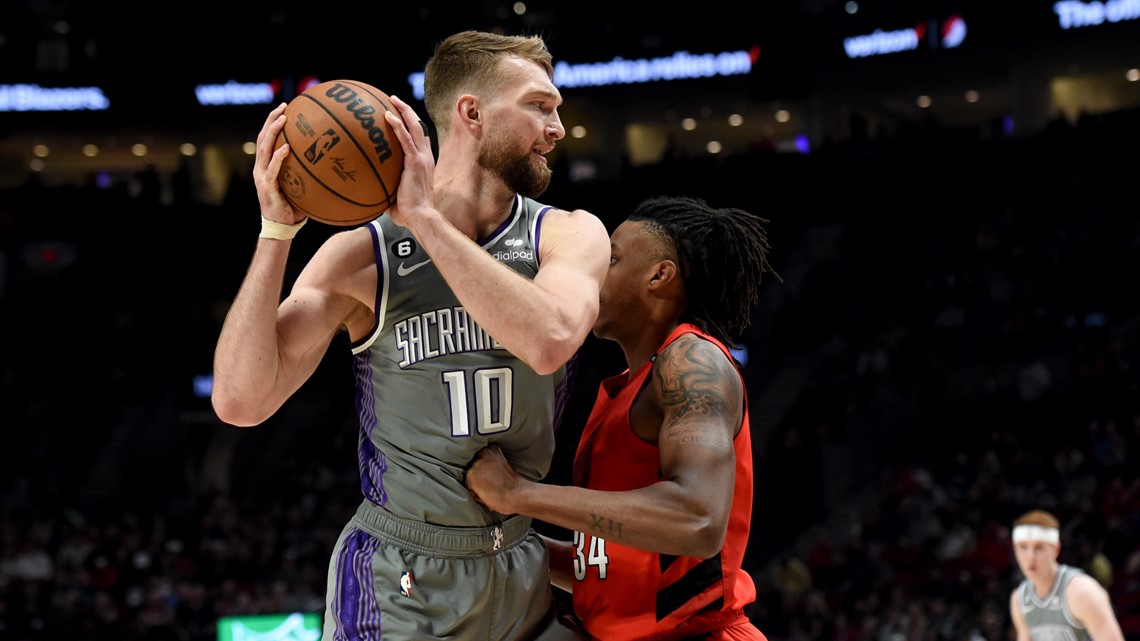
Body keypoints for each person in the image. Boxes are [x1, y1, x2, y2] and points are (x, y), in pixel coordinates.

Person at [211, 30, 610, 641]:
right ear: (471, 113)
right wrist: (274, 234)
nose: (557, 128)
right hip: (399, 573)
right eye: (539, 105)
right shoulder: (361, 255)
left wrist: (424, 218)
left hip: (519, 560)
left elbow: (550, 339)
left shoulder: (568, 235)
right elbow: (240, 400)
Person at [465, 195, 781, 641]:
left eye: (611, 258)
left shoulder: (693, 362)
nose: (593, 271)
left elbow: (697, 520)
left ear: (659, 275)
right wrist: (499, 541)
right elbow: (609, 568)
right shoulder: (625, 388)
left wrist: (520, 494)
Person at [1009, 509, 1125, 641]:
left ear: (1056, 549)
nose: (1031, 557)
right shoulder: (1019, 599)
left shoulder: (1082, 591)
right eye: (1023, 547)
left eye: (1039, 547)